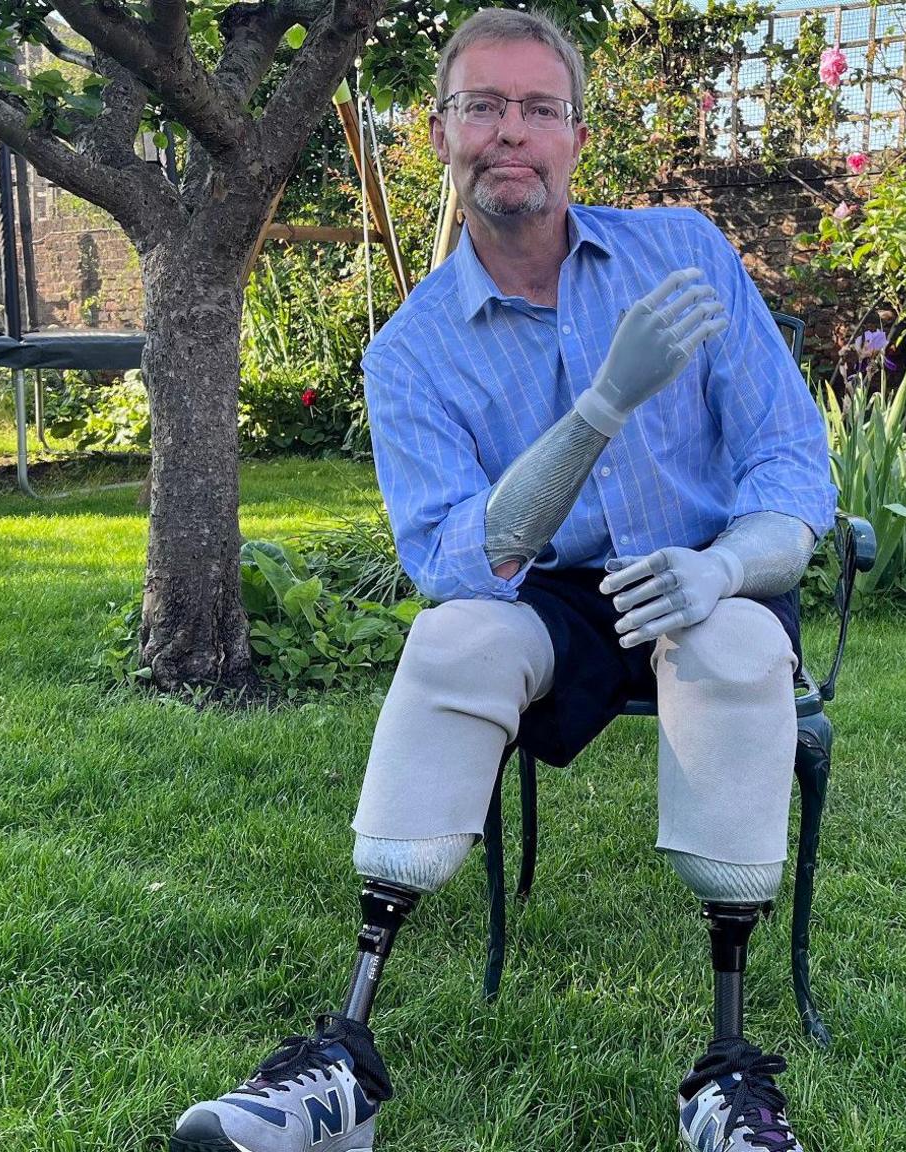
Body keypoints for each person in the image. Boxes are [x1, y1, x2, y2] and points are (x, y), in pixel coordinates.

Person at [171, 8, 835, 1150]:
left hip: (702, 574)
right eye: (483, 107)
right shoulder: (411, 352)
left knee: (727, 648)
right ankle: (341, 1068)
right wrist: (599, 408)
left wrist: (726, 564)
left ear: (577, 134)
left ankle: (726, 1078)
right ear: (440, 134)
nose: (509, 133)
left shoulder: (682, 253)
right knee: (451, 645)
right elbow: (455, 565)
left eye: (537, 108)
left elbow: (790, 464)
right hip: (547, 596)